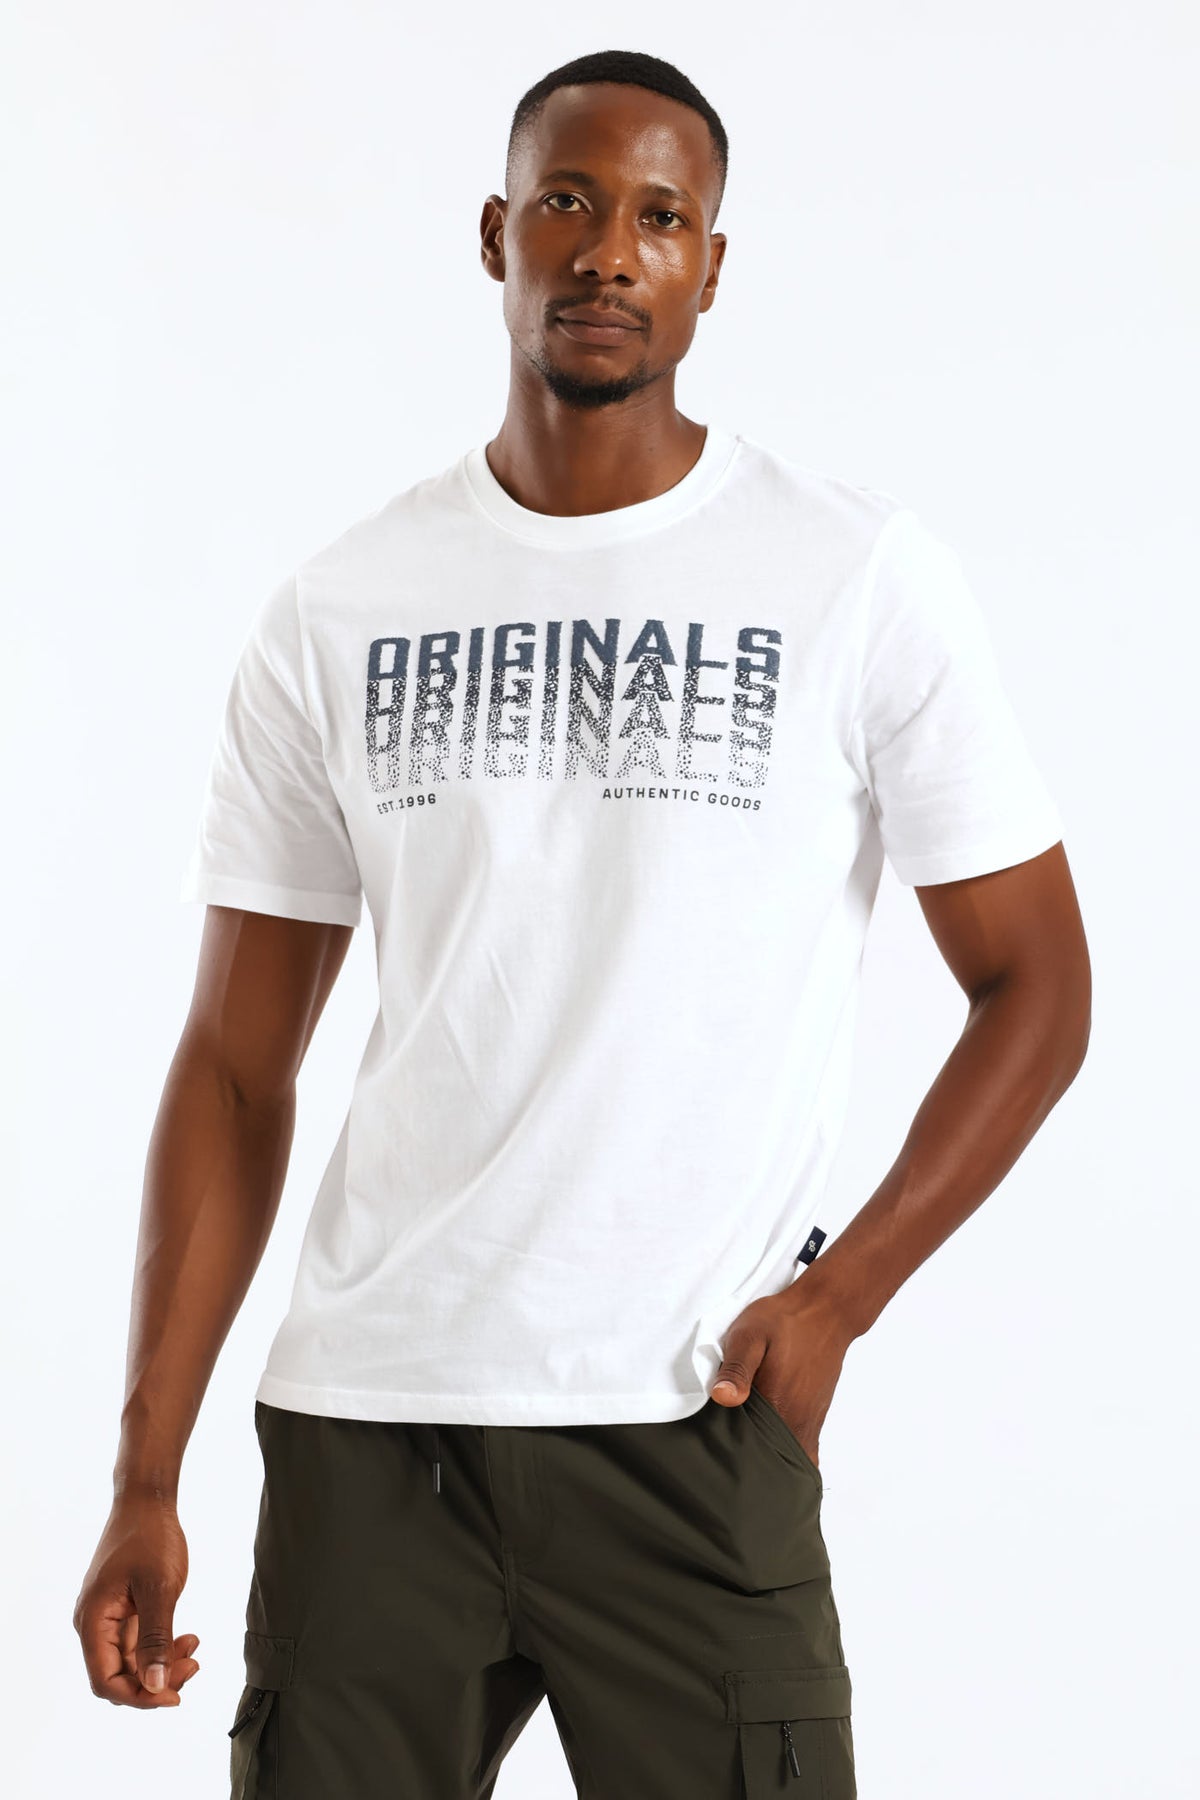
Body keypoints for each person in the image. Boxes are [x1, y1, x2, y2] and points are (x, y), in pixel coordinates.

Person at [72, 47, 1091, 1799]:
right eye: (568, 200)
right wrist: (144, 1471)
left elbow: (1038, 989)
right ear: (497, 236)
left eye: (660, 217)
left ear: (711, 266)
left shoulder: (852, 577)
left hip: (694, 1419)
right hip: (374, 1437)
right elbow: (236, 1068)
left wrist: (839, 1301)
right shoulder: (340, 608)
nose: (610, 249)